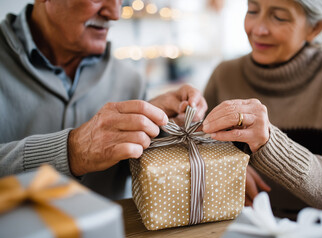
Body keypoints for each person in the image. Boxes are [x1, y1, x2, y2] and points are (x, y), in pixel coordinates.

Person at [0, 0, 207, 199]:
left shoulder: (131, 80)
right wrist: (72, 151)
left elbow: (135, 173)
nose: (114, 13)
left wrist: (162, 129)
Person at [202, 0, 322, 238]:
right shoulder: (224, 74)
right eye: (252, 11)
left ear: (315, 28)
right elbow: (202, 153)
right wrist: (227, 168)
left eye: (279, 17)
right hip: (242, 229)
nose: (258, 29)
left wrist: (268, 144)